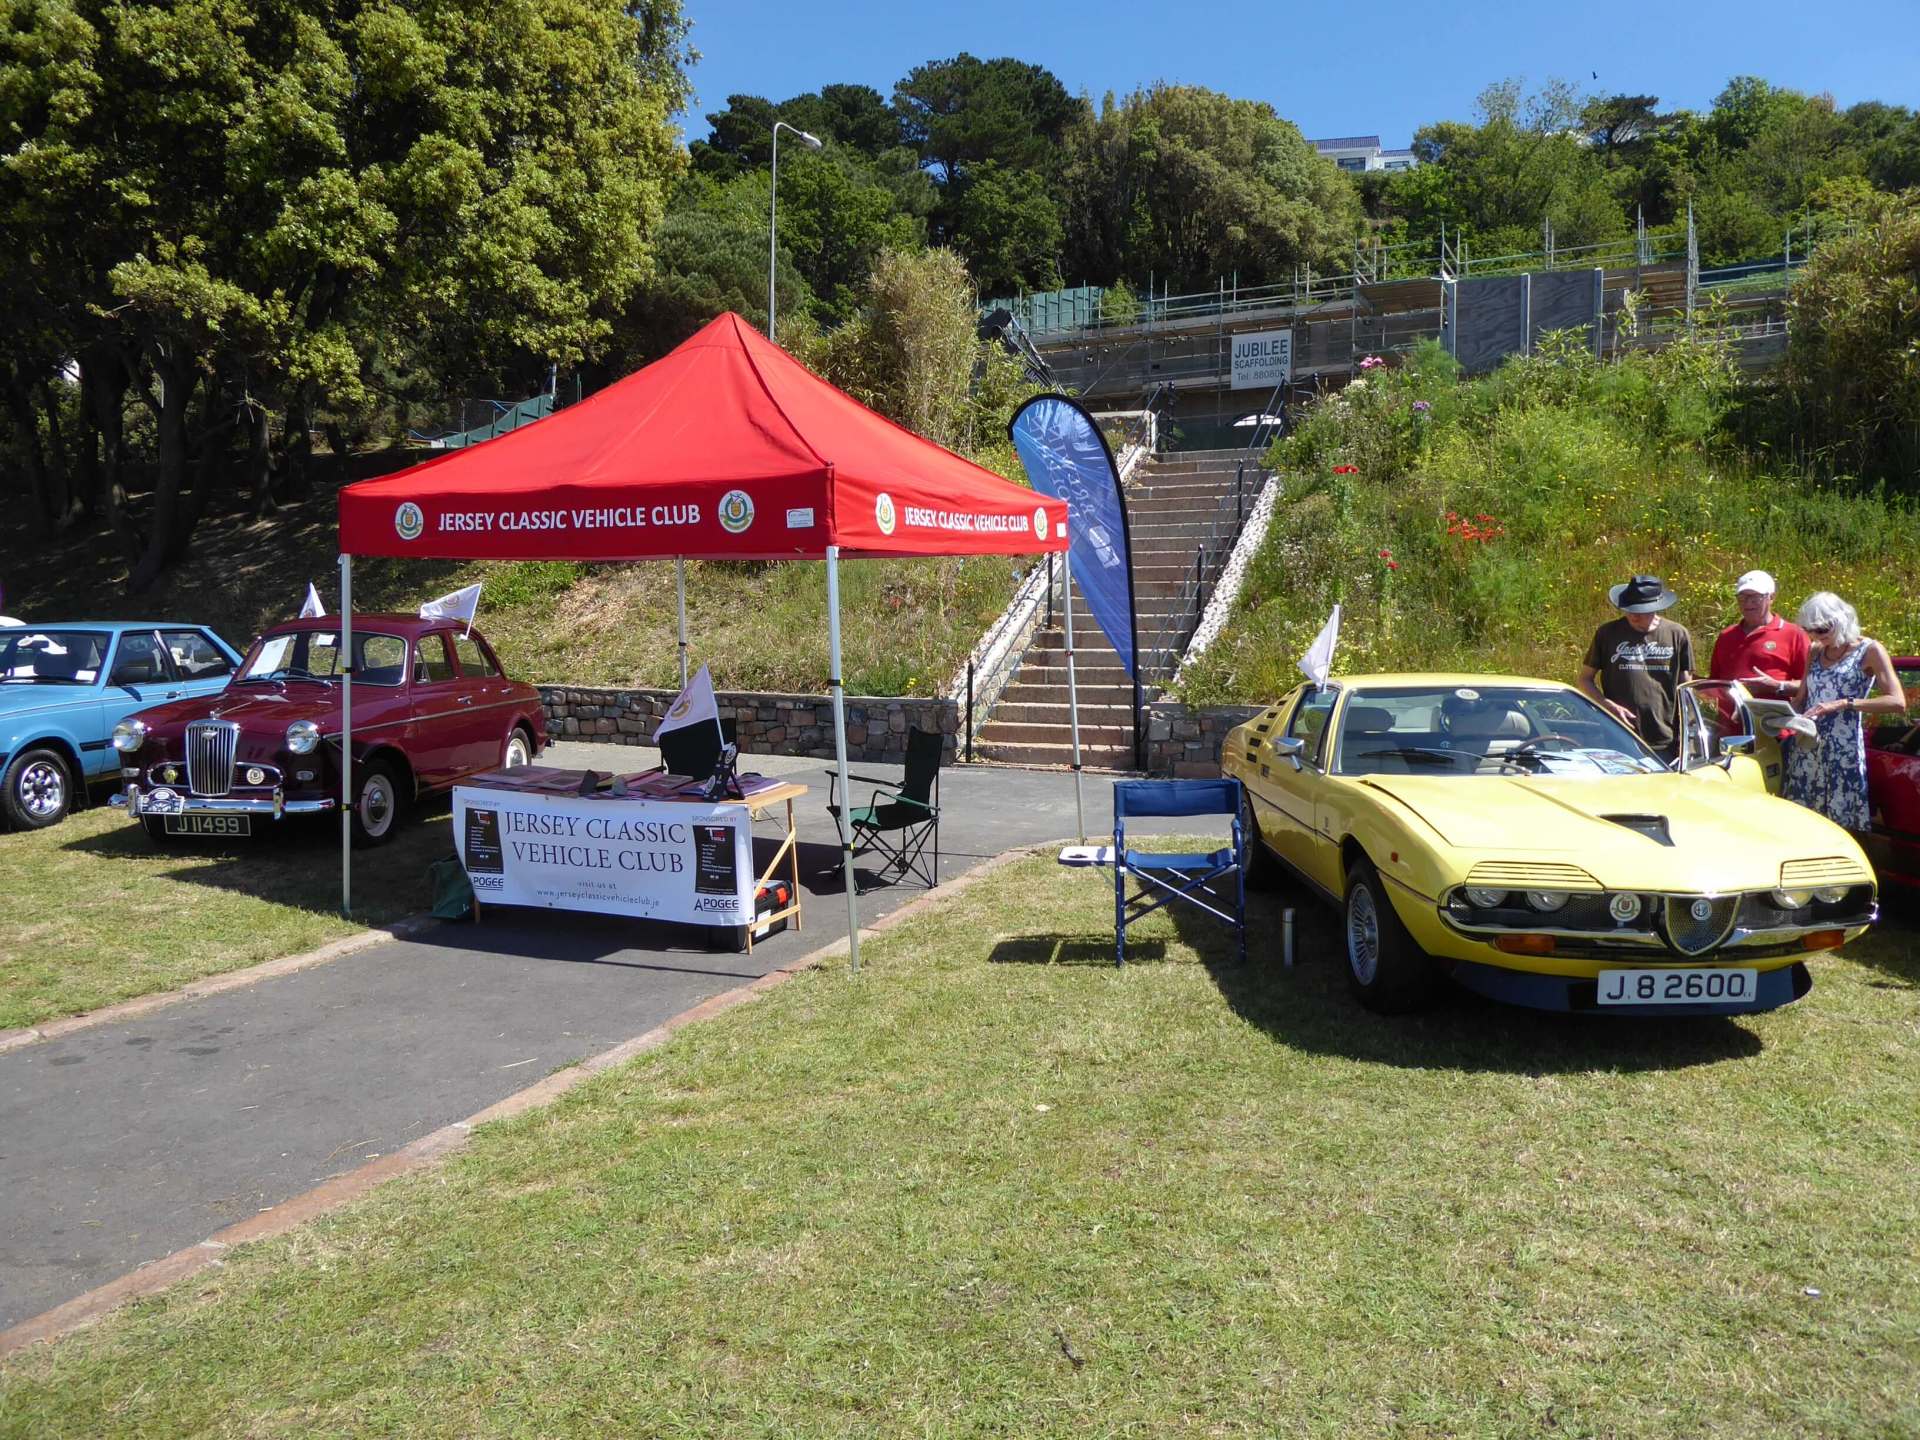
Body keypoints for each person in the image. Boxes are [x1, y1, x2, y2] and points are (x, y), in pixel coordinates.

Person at [1782, 591, 1906, 832]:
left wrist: (1843, 703)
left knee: (1841, 826)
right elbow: (1801, 699)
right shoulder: (1815, 650)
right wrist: (1770, 713)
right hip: (1807, 748)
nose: (1816, 635)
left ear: (1841, 620)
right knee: (1803, 823)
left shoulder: (1869, 650)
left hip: (1842, 752)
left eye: (1822, 629)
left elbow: (1897, 702)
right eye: (1810, 629)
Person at [1578, 574, 1695, 762]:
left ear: (1655, 608)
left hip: (1664, 737)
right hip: (1618, 736)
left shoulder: (1676, 634)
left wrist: (1688, 735)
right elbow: (1584, 680)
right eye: (1628, 609)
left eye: (1640, 611)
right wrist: (1607, 705)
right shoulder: (1607, 633)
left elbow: (1686, 690)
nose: (1633, 615)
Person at [1708, 569, 1808, 701]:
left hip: (1771, 714)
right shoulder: (1726, 636)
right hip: (1729, 714)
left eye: (1755, 596)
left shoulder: (1793, 634)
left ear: (1771, 597)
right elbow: (1715, 682)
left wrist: (1777, 686)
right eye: (1742, 597)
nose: (1748, 602)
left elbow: (1811, 684)